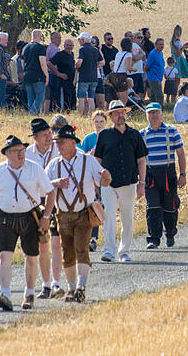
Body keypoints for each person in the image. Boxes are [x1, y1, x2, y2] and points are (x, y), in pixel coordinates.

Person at [0, 135, 58, 312]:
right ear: (7, 154)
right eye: (16, 151)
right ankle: (6, 294)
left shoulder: (35, 169)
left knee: (31, 256)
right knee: (4, 257)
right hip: (5, 218)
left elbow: (50, 192)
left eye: (22, 150)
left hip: (29, 217)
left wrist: (46, 217)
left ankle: (29, 293)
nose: (21, 154)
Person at [46, 125, 110, 303]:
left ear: (74, 142)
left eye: (62, 142)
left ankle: (81, 286)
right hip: (63, 215)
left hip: (83, 213)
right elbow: (42, 186)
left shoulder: (88, 161)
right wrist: (56, 183)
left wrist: (107, 177)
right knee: (67, 253)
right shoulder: (54, 164)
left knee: (81, 248)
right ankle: (72, 288)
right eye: (57, 143)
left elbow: (103, 182)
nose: (58, 146)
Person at [94, 100, 147, 263]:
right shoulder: (104, 135)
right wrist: (97, 183)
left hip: (130, 182)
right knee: (109, 215)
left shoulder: (134, 134)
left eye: (122, 112)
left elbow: (141, 160)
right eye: (116, 113)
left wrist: (142, 183)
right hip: (108, 183)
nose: (120, 115)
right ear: (111, 116)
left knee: (127, 217)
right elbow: (97, 160)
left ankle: (124, 251)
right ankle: (109, 251)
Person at [24, 118, 63, 300]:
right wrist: (53, 183)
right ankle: (46, 285)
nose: (50, 137)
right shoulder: (26, 155)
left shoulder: (58, 149)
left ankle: (56, 283)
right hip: (36, 202)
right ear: (36, 137)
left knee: (56, 242)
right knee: (42, 244)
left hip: (58, 200)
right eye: (45, 135)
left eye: (50, 133)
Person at [140, 103, 186, 249]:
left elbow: (181, 154)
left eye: (156, 112)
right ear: (146, 115)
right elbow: (138, 159)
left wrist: (183, 175)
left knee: (170, 207)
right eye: (151, 113)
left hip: (168, 174)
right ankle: (154, 239)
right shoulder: (141, 134)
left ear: (161, 114)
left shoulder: (172, 131)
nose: (154, 116)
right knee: (152, 207)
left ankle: (171, 233)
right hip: (150, 174)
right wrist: (139, 179)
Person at [77, 110, 109, 251]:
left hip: (106, 176)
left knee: (107, 206)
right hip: (92, 176)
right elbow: (80, 154)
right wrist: (89, 154)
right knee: (94, 206)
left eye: (101, 121)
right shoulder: (89, 138)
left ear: (106, 123)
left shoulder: (110, 136)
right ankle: (93, 238)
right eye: (96, 122)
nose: (99, 124)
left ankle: (109, 237)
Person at [74, 32, 104, 116]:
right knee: (91, 98)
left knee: (81, 98)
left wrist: (76, 66)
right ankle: (91, 115)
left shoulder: (82, 49)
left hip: (84, 77)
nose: (79, 42)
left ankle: (81, 115)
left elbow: (79, 62)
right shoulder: (95, 50)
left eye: (79, 40)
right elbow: (102, 62)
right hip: (94, 77)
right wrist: (94, 65)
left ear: (83, 40)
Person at [21, 29, 49, 115]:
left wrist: (26, 71)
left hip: (27, 75)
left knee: (31, 97)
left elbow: (22, 63)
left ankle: (31, 114)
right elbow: (43, 63)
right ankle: (33, 113)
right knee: (40, 97)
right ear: (40, 37)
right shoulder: (40, 48)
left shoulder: (25, 47)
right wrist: (47, 75)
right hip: (38, 76)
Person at [106, 37, 136, 106]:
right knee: (124, 101)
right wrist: (135, 69)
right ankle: (122, 114)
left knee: (119, 99)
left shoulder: (119, 53)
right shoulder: (128, 54)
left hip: (114, 76)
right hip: (121, 77)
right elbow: (128, 67)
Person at [49, 39, 76, 112]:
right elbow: (49, 63)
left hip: (71, 82)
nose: (69, 47)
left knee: (71, 102)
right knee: (63, 101)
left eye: (71, 45)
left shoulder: (72, 54)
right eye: (67, 45)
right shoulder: (60, 54)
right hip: (62, 82)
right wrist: (58, 73)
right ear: (64, 46)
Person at [145, 38, 166, 106]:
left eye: (163, 44)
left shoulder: (161, 53)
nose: (162, 46)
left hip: (159, 77)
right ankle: (160, 109)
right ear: (155, 45)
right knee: (159, 95)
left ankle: (154, 108)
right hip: (153, 77)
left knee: (153, 95)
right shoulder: (152, 54)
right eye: (160, 44)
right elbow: (147, 66)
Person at [45, 31, 62, 113]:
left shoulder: (49, 48)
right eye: (57, 38)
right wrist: (58, 73)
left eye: (60, 38)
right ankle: (54, 110)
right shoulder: (55, 49)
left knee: (51, 94)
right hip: (53, 74)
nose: (59, 40)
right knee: (54, 94)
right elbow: (51, 64)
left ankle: (51, 109)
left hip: (50, 74)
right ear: (52, 39)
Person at [127, 31, 146, 99]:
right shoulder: (131, 46)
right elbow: (134, 58)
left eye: (141, 37)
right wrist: (141, 54)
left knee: (141, 91)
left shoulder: (137, 46)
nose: (140, 39)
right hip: (133, 73)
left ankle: (139, 103)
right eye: (138, 37)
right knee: (133, 91)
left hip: (139, 71)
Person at [90, 35, 108, 111]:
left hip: (99, 76)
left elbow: (103, 62)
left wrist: (99, 49)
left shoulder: (98, 51)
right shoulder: (86, 50)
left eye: (94, 42)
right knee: (91, 100)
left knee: (101, 101)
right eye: (91, 41)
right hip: (90, 77)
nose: (92, 43)